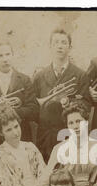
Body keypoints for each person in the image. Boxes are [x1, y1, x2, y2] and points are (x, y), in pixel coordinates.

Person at [33, 29, 85, 162]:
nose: (60, 46)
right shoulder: (39, 76)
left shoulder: (80, 75)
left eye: (64, 42)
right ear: (50, 46)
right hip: (46, 134)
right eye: (56, 42)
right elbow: (34, 107)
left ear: (70, 47)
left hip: (70, 132)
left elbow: (86, 105)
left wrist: (68, 103)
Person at [0, 36, 37, 150]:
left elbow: (33, 109)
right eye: (0, 55)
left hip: (19, 136)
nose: (5, 59)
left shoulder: (24, 80)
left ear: (12, 55)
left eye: (8, 54)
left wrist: (10, 110)